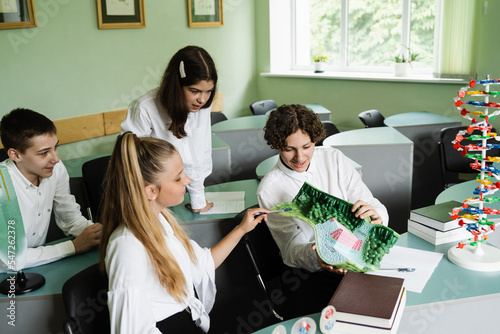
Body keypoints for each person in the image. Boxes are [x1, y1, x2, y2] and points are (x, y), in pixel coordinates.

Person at [100, 132, 269, 334]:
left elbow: (203, 264)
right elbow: (133, 330)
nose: (187, 180)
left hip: (189, 320)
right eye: (178, 177)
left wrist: (241, 229)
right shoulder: (126, 245)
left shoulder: (162, 220)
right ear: (150, 192)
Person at [256, 104, 389, 318]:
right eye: (289, 149)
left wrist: (377, 215)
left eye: (307, 146)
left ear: (315, 140)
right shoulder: (270, 188)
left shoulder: (333, 158)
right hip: (311, 274)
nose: (300, 158)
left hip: (356, 255)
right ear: (276, 145)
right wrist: (319, 257)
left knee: (385, 302)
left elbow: (372, 202)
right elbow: (290, 250)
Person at [0, 108, 102, 272]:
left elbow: (71, 221)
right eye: (44, 153)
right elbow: (12, 259)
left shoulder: (56, 169)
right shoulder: (2, 186)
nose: (55, 158)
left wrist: (101, 235)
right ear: (15, 155)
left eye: (55, 147)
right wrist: (73, 247)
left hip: (34, 266)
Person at [121, 45, 217, 213]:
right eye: (194, 91)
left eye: (208, 91)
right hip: (149, 202)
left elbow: (198, 155)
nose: (202, 99)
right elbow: (131, 163)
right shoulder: (145, 108)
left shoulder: (200, 106)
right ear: (177, 85)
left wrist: (198, 200)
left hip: (178, 195)